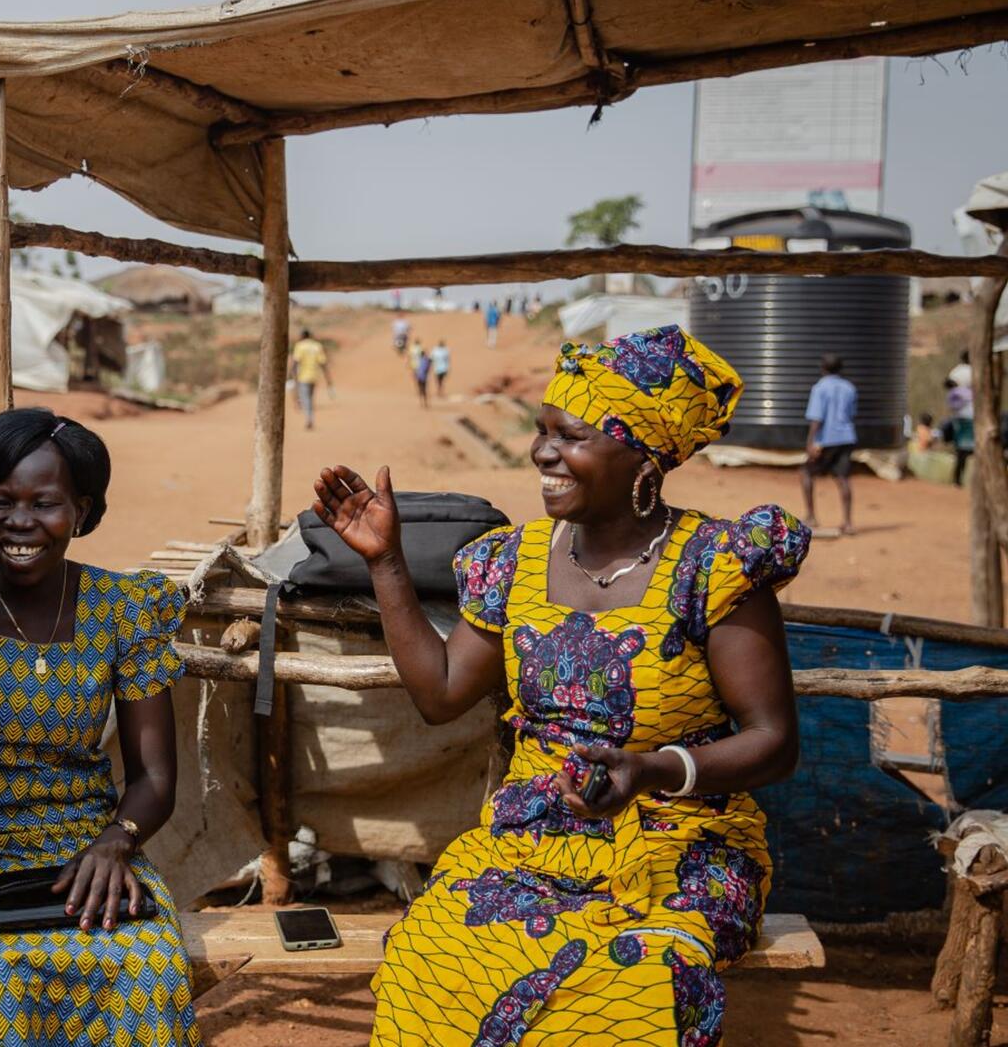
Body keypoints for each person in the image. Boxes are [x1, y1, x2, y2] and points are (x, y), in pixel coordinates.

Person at [312, 324, 808, 1046]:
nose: (543, 452)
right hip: (532, 836)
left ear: (642, 454)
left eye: (571, 436)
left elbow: (775, 743)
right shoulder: (512, 564)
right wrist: (385, 562)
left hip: (681, 842)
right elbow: (441, 694)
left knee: (628, 985)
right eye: (542, 431)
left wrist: (651, 770)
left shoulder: (713, 567)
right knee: (431, 955)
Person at [0, 407, 200, 1045]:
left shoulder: (123, 609)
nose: (19, 522)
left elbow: (155, 777)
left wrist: (115, 843)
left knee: (146, 969)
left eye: (44, 503)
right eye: (0, 500)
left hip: (85, 847)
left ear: (83, 510)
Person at [801, 353, 858, 535]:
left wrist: (811, 442)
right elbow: (852, 413)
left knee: (806, 473)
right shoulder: (849, 388)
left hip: (826, 439)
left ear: (823, 368)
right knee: (843, 478)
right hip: (847, 437)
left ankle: (811, 516)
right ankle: (848, 523)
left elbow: (817, 418)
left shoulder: (820, 388)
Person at [292, 327, 333, 430]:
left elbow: (296, 362)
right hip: (314, 376)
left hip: (303, 377)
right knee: (309, 398)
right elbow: (323, 363)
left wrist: (292, 374)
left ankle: (309, 419)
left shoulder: (300, 346)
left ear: (302, 336)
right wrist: (328, 378)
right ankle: (309, 416)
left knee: (306, 399)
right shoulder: (317, 346)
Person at [947, 351, 977, 485]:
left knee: (960, 449)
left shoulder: (955, 372)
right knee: (974, 447)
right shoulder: (975, 371)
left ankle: (957, 480)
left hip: (958, 415)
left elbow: (949, 389)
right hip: (973, 414)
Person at [409, 338, 432, 407]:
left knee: (420, 388)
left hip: (418, 375)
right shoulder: (426, 360)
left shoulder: (418, 360)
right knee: (424, 389)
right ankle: (424, 402)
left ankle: (421, 402)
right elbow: (428, 367)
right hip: (424, 377)